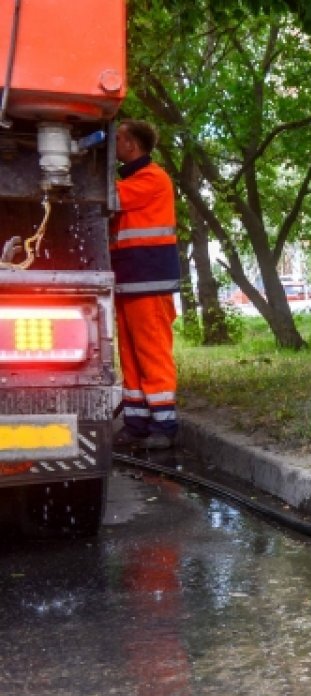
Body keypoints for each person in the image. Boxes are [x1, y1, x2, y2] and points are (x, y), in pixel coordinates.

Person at [110, 120, 181, 450]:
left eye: (118, 138)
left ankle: (165, 426)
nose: (114, 143)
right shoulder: (137, 178)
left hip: (148, 280)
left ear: (132, 145)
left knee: (152, 353)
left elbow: (109, 197)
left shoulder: (152, 178)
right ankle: (137, 424)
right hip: (131, 279)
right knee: (131, 356)